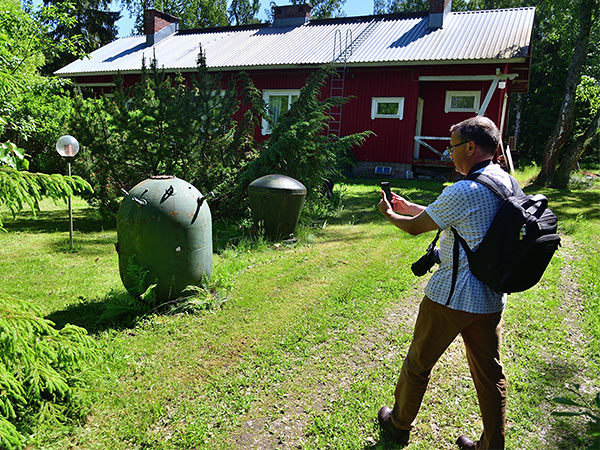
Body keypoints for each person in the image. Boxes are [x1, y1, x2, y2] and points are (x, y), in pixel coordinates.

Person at [376, 116, 514, 450]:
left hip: (450, 299)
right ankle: (492, 445)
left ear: (470, 147)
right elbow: (465, 219)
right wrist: (411, 206)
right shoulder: (505, 182)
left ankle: (398, 425)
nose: (449, 154)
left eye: (452, 147)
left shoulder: (463, 189)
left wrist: (391, 214)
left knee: (418, 363)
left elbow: (414, 228)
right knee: (489, 376)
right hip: (491, 299)